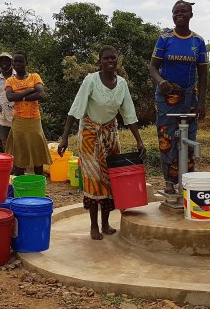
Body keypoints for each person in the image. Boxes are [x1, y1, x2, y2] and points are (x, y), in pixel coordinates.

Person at [58, 46, 145, 240]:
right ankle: (93, 226)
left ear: (117, 60)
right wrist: (64, 138)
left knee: (110, 178)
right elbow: (76, 109)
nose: (110, 61)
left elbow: (129, 114)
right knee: (93, 179)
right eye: (106, 58)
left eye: (113, 58)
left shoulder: (122, 84)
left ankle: (106, 223)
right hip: (90, 133)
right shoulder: (91, 81)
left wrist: (139, 141)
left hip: (110, 133)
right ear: (100, 61)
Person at [149, 0, 208, 194]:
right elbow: (153, 68)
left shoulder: (198, 42)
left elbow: (203, 75)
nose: (179, 15)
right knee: (166, 137)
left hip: (189, 96)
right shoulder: (165, 39)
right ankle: (169, 181)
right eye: (176, 12)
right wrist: (161, 82)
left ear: (191, 15)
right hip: (166, 96)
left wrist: (202, 102)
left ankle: (187, 180)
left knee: (189, 137)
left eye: (183, 12)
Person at [4, 51, 50, 176]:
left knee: (37, 150)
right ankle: (20, 182)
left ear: (26, 62)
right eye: (15, 61)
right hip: (19, 120)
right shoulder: (10, 80)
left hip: (34, 119)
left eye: (20, 61)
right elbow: (9, 97)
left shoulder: (34, 76)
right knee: (19, 151)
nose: (17, 64)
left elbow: (40, 93)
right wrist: (29, 91)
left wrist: (20, 96)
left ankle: (39, 180)